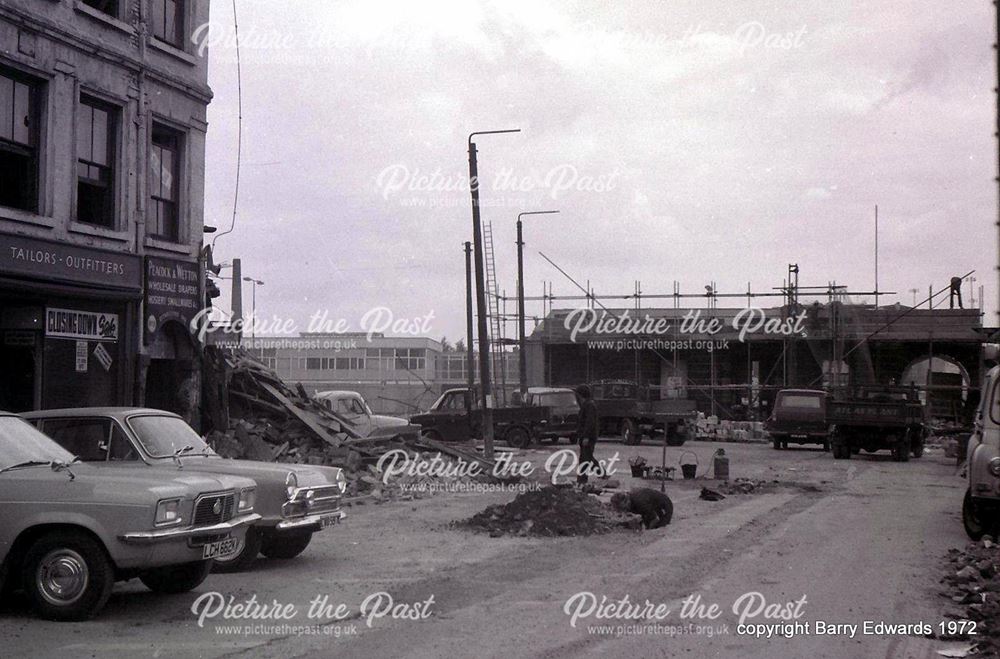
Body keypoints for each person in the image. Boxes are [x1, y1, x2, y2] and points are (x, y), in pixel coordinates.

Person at [575, 384, 600, 485]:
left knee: (586, 458)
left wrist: (586, 436)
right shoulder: (586, 405)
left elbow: (590, 422)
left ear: (580, 395)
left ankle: (582, 479)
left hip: (588, 437)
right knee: (587, 457)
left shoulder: (589, 405)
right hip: (585, 436)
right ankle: (601, 474)